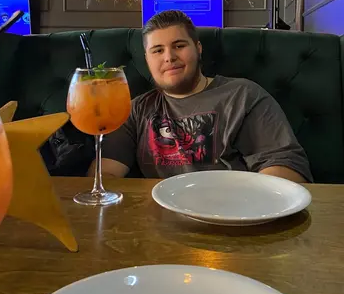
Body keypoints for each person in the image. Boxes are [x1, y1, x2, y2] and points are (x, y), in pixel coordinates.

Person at [98, 10, 313, 183]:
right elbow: (104, 176)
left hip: (232, 213)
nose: (169, 57)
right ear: (147, 59)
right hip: (159, 215)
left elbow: (286, 168)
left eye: (179, 46)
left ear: (198, 48)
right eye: (157, 50)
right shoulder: (135, 110)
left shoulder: (243, 95)